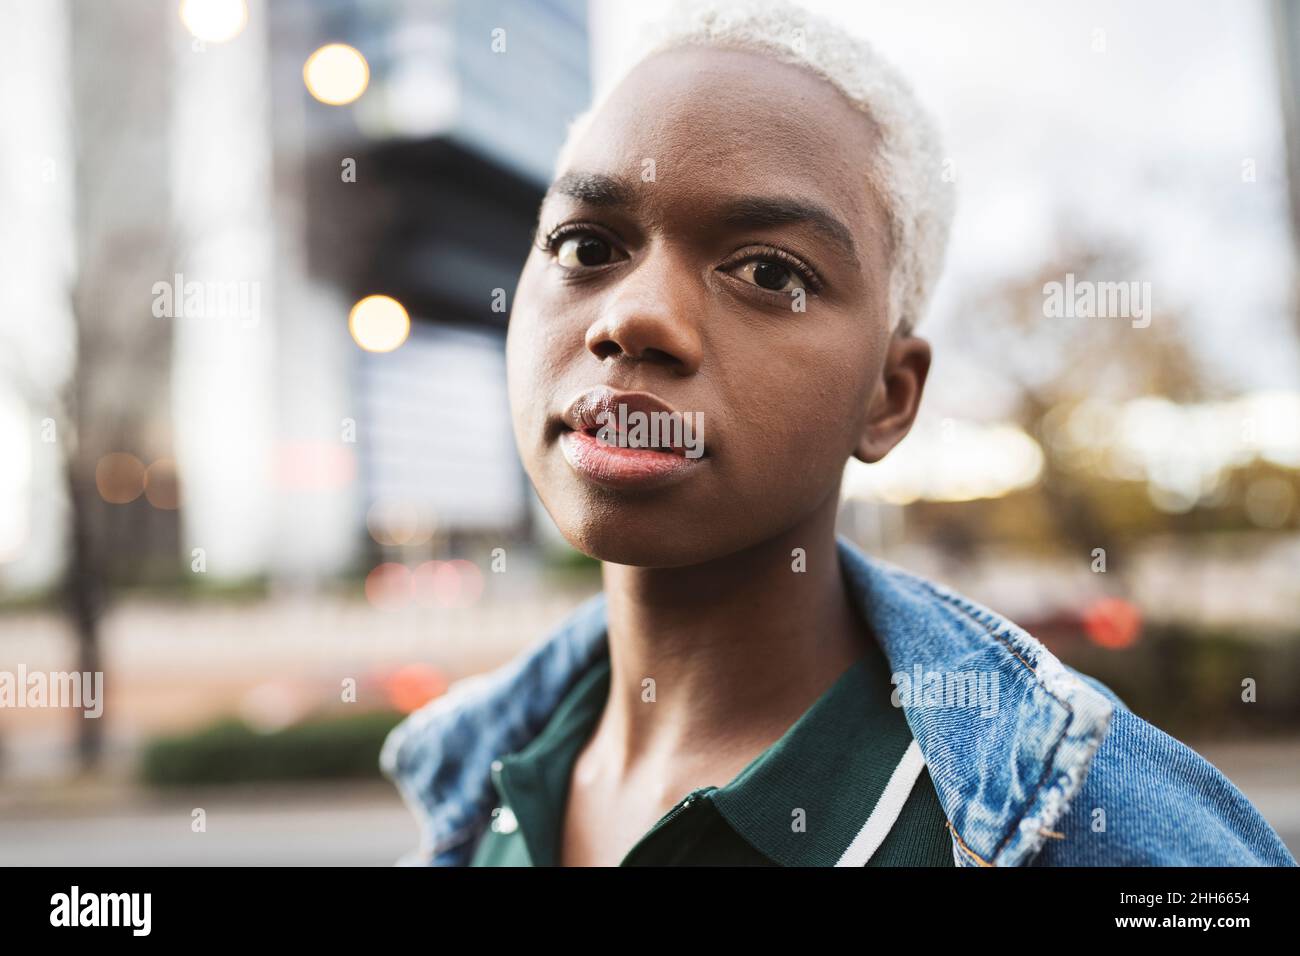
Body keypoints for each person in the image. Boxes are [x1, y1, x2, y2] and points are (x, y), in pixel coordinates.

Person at [381, 0, 1297, 867]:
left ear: (889, 397)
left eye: (769, 271)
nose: (635, 318)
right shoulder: (479, 788)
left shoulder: (1103, 835)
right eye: (587, 246)